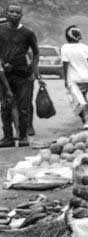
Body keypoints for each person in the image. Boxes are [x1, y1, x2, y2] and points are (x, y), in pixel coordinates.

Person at [0, 4, 37, 147]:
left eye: (17, 12)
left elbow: (36, 52)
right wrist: (3, 63)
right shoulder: (0, 30)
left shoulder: (28, 33)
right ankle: (8, 137)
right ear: (7, 13)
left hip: (23, 75)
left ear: (21, 15)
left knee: (23, 107)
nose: (14, 14)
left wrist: (33, 70)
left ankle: (23, 137)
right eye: (11, 12)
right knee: (5, 106)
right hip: (5, 76)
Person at [61, 25, 88, 128]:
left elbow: (65, 65)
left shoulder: (65, 48)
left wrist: (65, 80)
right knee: (81, 99)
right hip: (86, 80)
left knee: (79, 102)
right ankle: (86, 116)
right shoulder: (85, 47)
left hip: (73, 80)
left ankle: (85, 121)